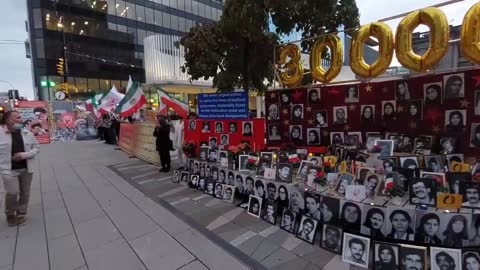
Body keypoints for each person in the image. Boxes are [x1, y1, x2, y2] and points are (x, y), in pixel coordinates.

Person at [0, 111, 40, 226]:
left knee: (25, 192)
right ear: (8, 120)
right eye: (18, 117)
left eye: (21, 117)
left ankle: (21, 213)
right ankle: (10, 214)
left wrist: (24, 155)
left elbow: (37, 148)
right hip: (7, 169)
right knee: (13, 192)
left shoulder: (27, 133)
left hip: (26, 168)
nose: (21, 119)